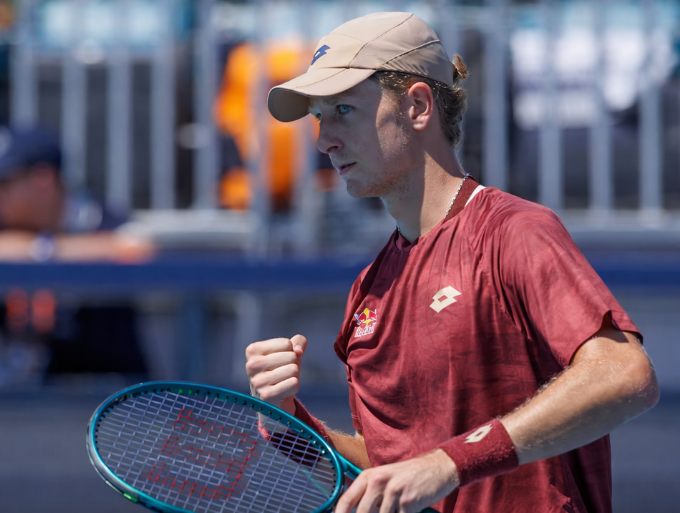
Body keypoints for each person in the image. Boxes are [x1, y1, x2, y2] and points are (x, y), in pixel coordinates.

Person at [245, 12, 659, 513]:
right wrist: (288, 423)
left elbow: (623, 374)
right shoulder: (368, 290)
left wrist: (447, 464)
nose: (323, 139)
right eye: (319, 117)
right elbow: (386, 472)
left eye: (344, 111)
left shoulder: (515, 232)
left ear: (418, 106)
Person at [0, 125, 154, 383]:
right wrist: (33, 249)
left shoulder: (92, 214)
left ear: (43, 180)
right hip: (22, 385)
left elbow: (137, 247)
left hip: (110, 387)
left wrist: (46, 250)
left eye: (3, 182)